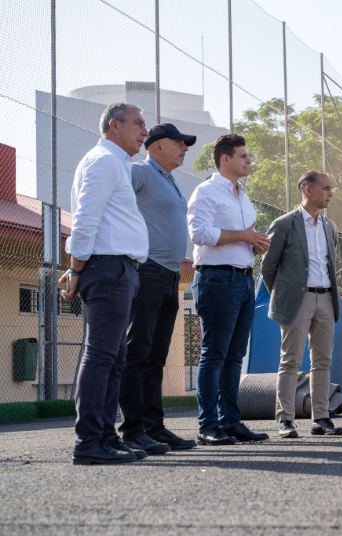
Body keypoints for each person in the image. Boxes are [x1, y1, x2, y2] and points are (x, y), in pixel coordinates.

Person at [60, 103, 150, 464]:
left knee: (115, 356)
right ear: (115, 126)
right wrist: (77, 269)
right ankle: (89, 441)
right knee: (101, 354)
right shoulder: (104, 161)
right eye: (139, 123)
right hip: (107, 267)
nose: (145, 130)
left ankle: (105, 436)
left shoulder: (117, 163)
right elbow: (84, 220)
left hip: (118, 268)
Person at [117, 124, 198, 454]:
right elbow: (108, 199)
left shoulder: (170, 180)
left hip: (169, 277)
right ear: (157, 146)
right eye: (179, 143)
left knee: (156, 356)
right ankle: (132, 430)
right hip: (146, 272)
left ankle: (154, 428)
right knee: (137, 352)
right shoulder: (140, 172)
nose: (185, 148)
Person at [187, 134, 270, 446]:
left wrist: (254, 243)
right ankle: (207, 425)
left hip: (244, 279)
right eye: (243, 156)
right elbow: (199, 233)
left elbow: (240, 237)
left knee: (235, 356)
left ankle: (230, 422)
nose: (249, 161)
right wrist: (243, 237)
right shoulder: (207, 191)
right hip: (217, 280)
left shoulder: (242, 196)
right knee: (215, 353)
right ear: (225, 159)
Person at [260, 170, 342, 438]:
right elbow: (268, 267)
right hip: (298, 300)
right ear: (308, 190)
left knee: (322, 361)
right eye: (326, 188)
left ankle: (321, 418)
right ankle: (285, 420)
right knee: (291, 361)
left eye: (331, 188)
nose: (331, 193)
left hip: (327, 298)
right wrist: (285, 295)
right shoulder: (284, 223)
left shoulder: (330, 227)